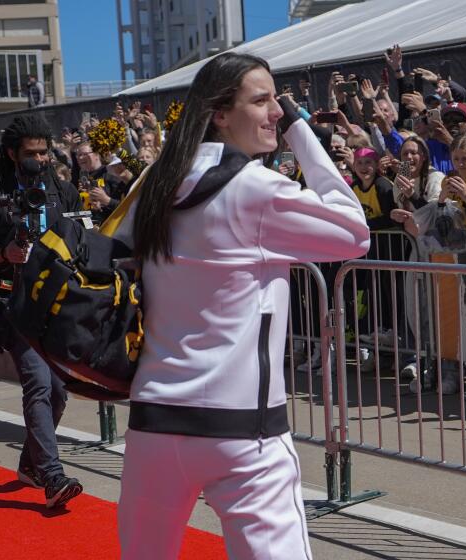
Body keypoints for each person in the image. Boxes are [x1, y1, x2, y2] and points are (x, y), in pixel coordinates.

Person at [116, 52, 370, 559]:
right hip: (240, 432)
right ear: (219, 113)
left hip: (154, 422)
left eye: (277, 100)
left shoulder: (153, 184)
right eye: (263, 100)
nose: (276, 109)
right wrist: (301, 133)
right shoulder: (253, 189)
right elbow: (354, 233)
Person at [0, 115, 83, 507]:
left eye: (43, 152)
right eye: (29, 153)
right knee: (39, 384)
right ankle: (53, 477)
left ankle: (30, 463)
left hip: (58, 306)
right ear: (11, 154)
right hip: (14, 302)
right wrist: (2, 254)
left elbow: (84, 238)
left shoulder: (64, 192)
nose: (38, 159)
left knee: (58, 391)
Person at [74, 141, 129, 225]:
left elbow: (126, 207)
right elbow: (82, 213)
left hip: (111, 228)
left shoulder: (111, 173)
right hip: (90, 230)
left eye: (85, 154)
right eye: (78, 155)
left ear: (96, 154)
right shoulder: (80, 179)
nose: (80, 158)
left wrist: (106, 200)